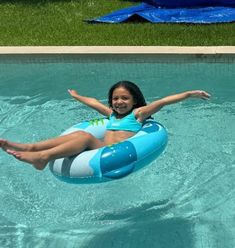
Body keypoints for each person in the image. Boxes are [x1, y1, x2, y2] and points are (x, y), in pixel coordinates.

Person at [0, 81, 210, 171]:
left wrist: (189, 94)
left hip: (112, 152)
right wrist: (77, 96)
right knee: (81, 134)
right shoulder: (111, 115)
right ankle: (31, 148)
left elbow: (163, 101)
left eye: (124, 98)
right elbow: (93, 102)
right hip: (100, 148)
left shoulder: (138, 114)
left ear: (134, 100)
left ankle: (43, 158)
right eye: (115, 98)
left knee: (84, 137)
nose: (119, 102)